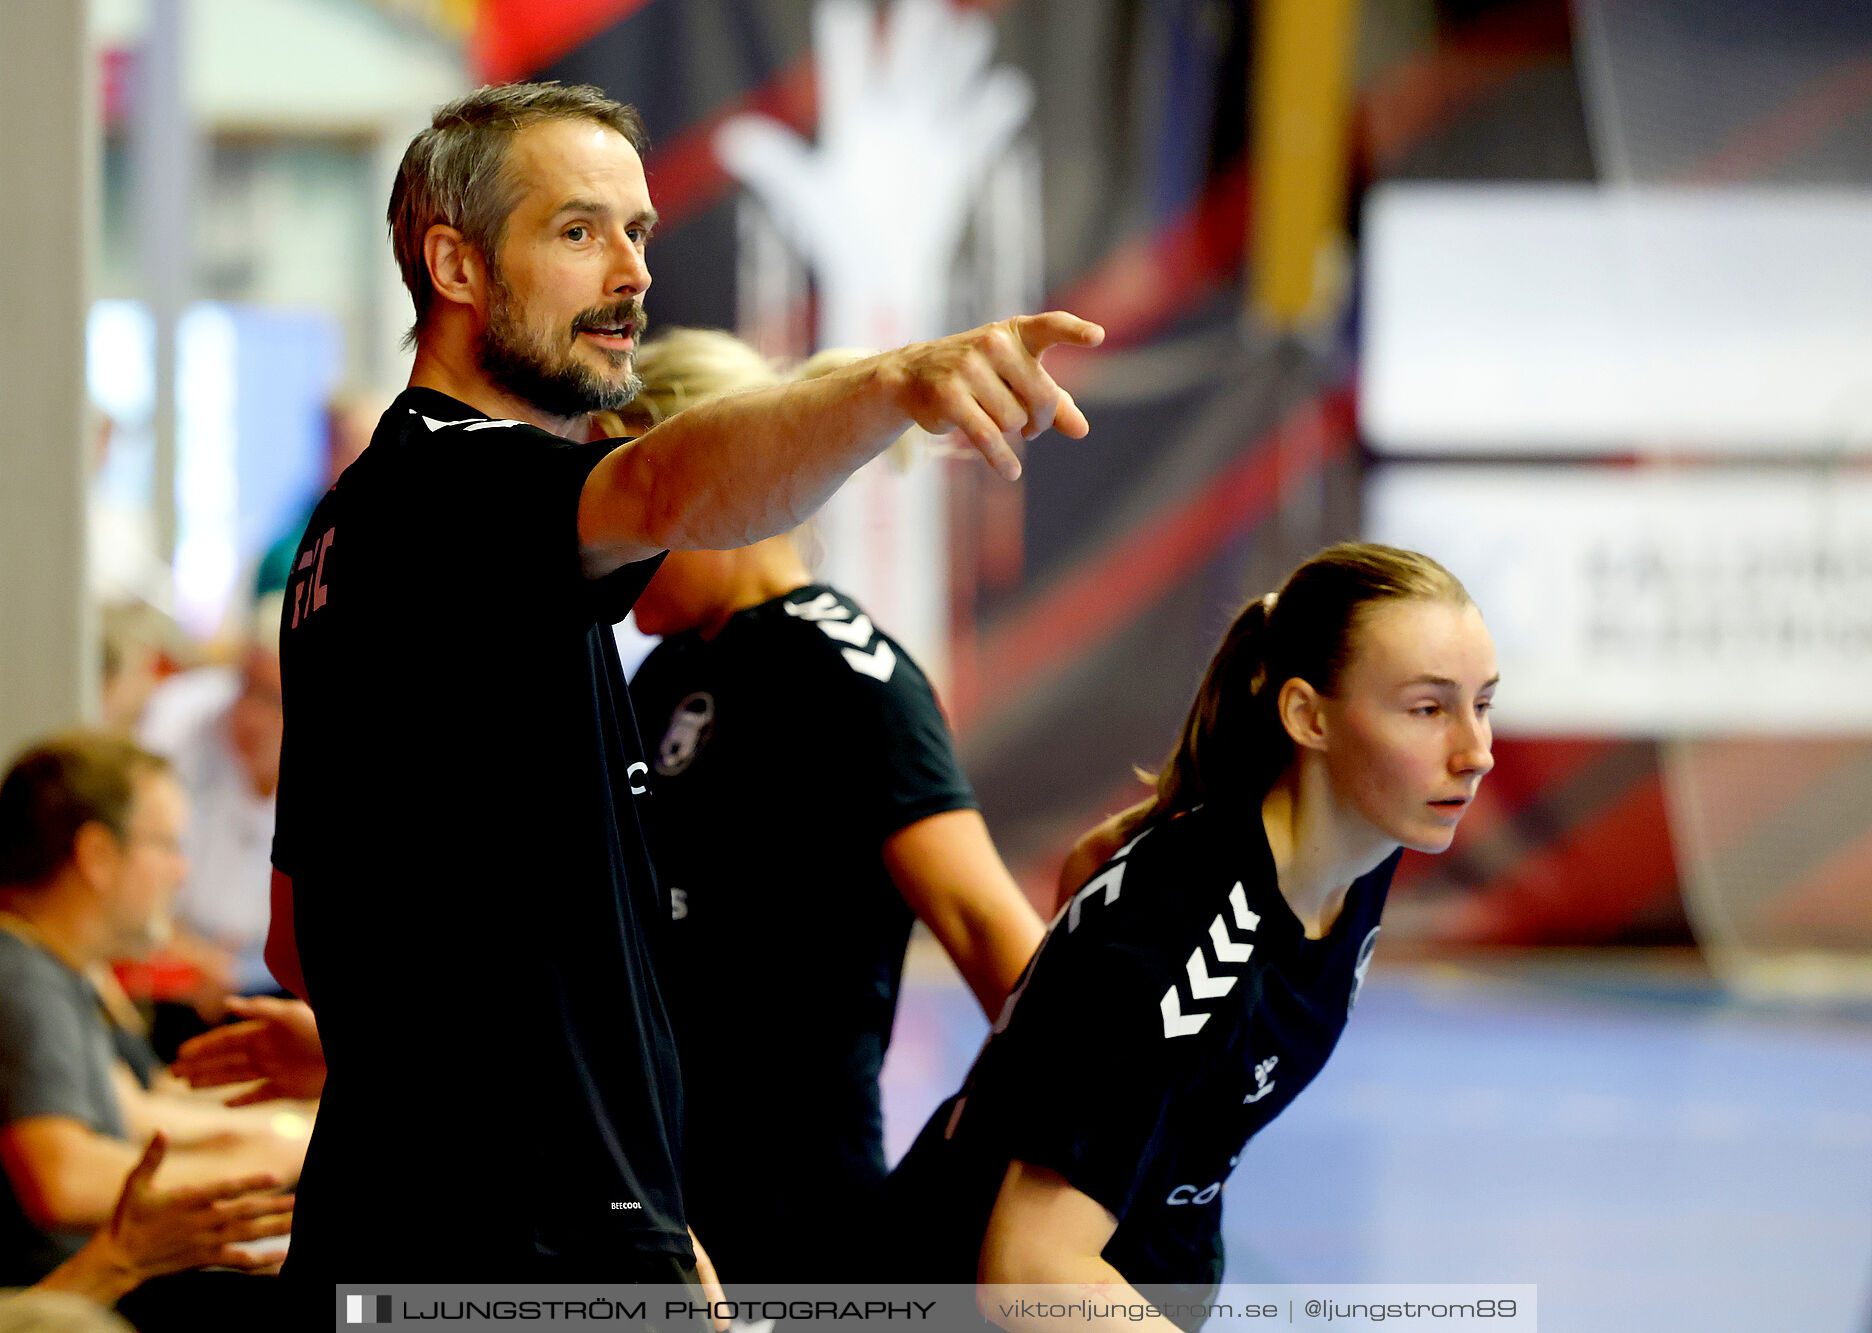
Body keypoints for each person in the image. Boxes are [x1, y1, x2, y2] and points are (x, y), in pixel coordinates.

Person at [265, 79, 1100, 1288]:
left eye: (639, 233)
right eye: (577, 230)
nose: (632, 273)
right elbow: (659, 491)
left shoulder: (353, 531)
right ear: (452, 264)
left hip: (435, 1217)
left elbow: (307, 942)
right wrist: (893, 384)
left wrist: (637, 1199)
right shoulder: (455, 490)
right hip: (528, 1244)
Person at [886, 543, 1498, 1329]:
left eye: (1482, 702)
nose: (1475, 752)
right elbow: (1029, 1271)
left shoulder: (1365, 836)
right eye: (1428, 708)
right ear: (1309, 716)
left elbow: (1092, 862)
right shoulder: (1187, 934)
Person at [611, 329, 1045, 1280]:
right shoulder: (661, 678)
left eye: (637, 496)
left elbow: (1000, 946)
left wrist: (1029, 1197)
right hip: (652, 1210)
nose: (615, 546)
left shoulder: (851, 680)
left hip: (794, 1234)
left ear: (712, 477)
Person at [0, 735, 301, 1293]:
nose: (181, 871)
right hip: (80, 1310)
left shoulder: (48, 970)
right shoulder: (19, 977)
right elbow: (62, 1176)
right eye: (166, 845)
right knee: (387, 1308)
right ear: (96, 856)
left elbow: (129, 1110)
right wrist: (267, 1159)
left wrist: (278, 1132)